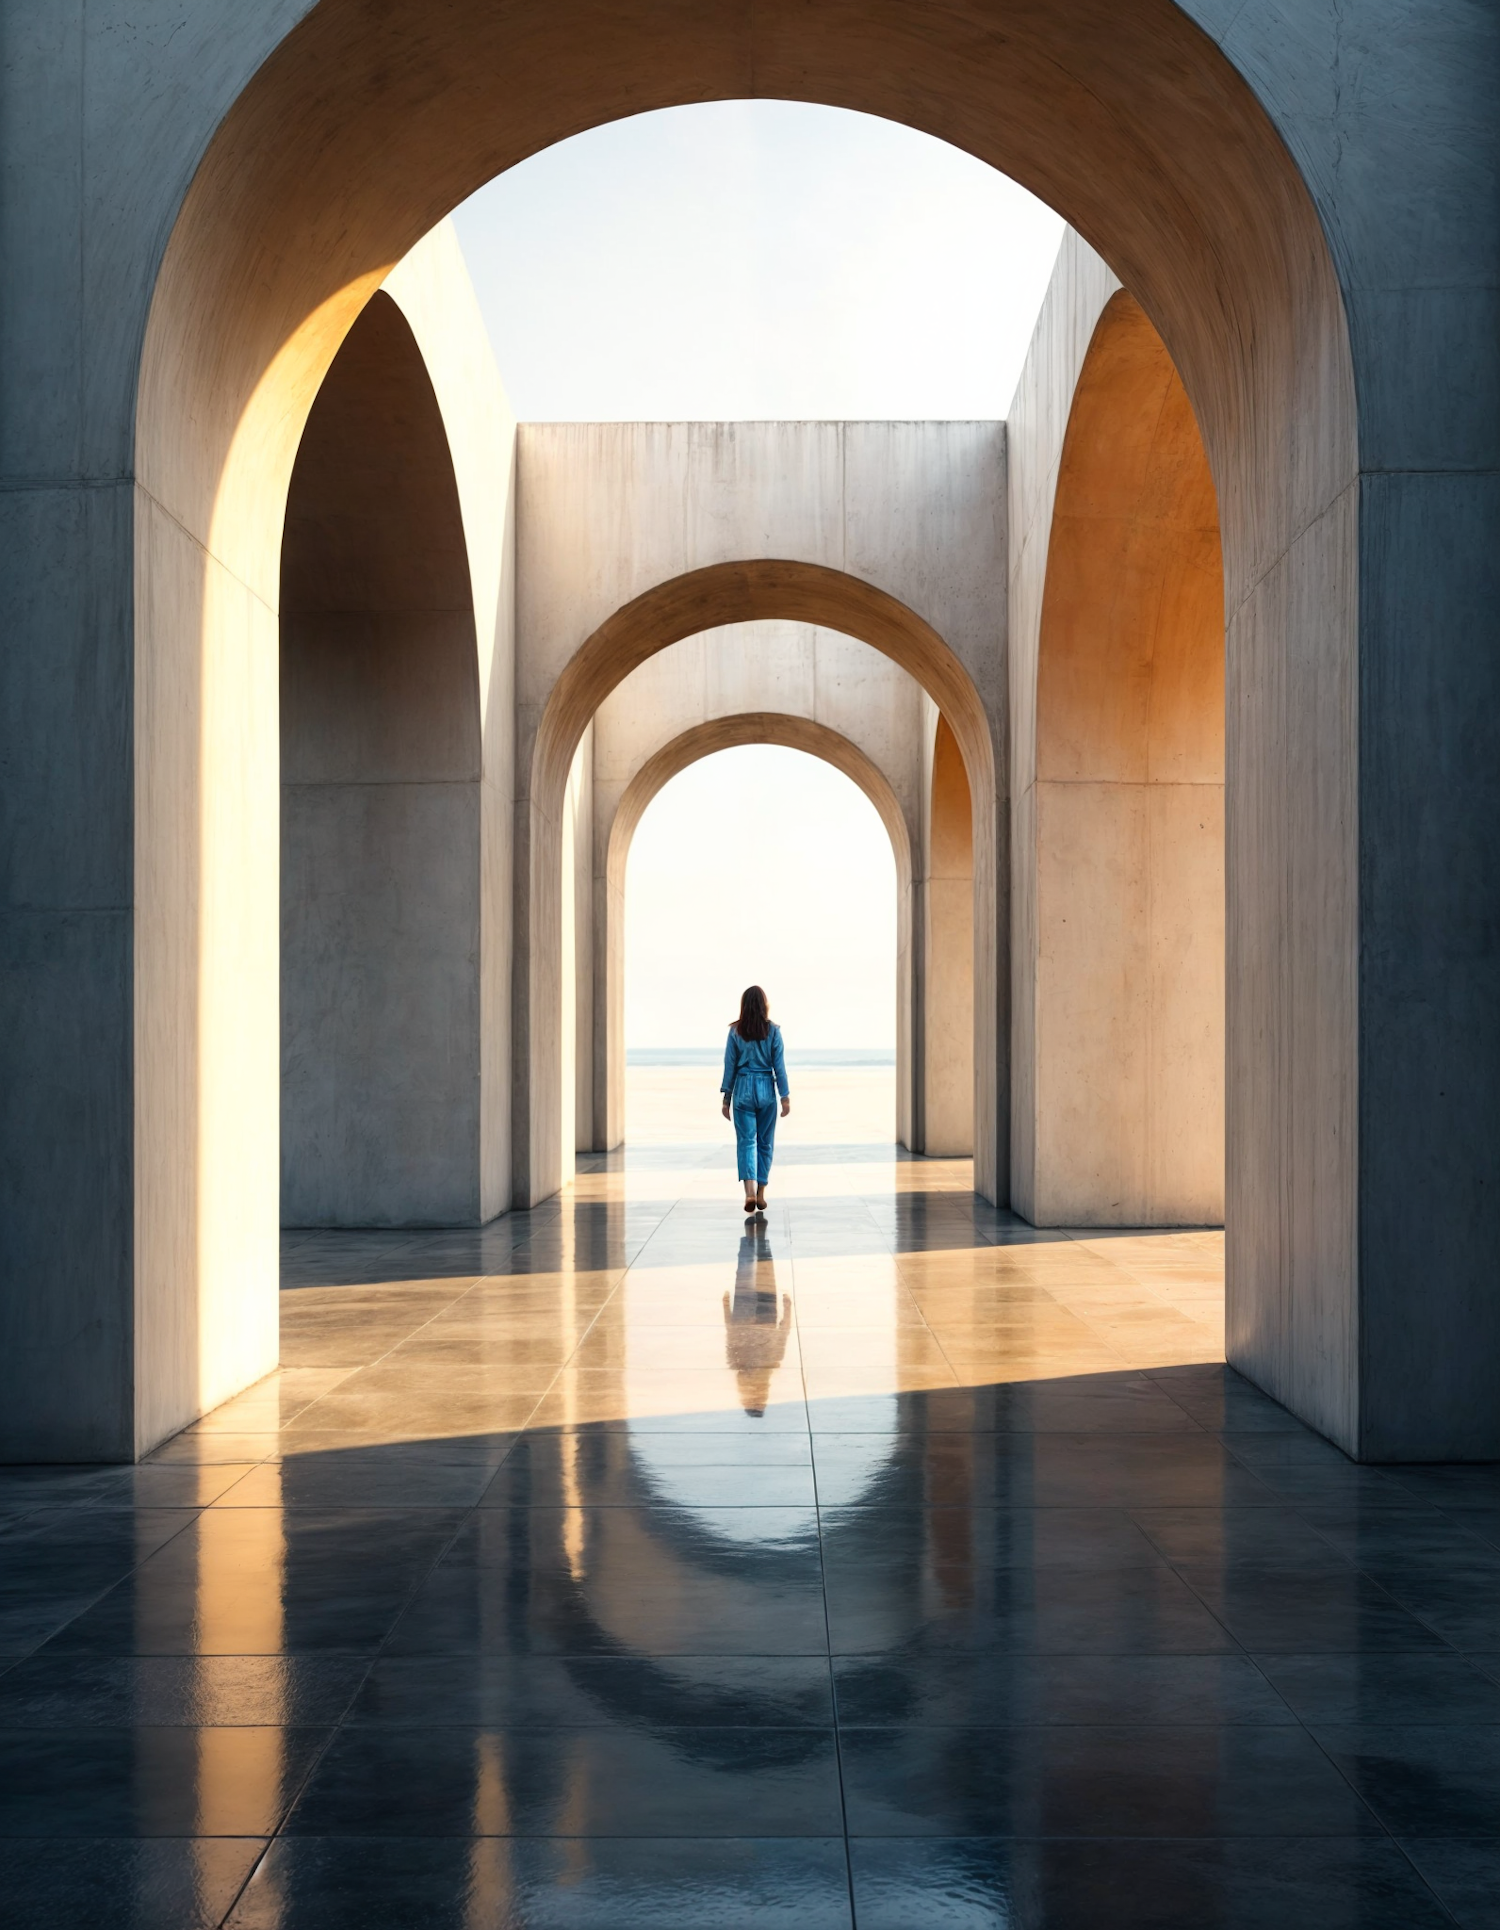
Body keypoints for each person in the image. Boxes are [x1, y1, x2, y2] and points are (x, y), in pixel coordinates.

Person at [720, 985, 791, 1216]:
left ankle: (749, 1192)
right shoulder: (774, 1031)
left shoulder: (735, 1032)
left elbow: (729, 1066)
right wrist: (785, 1096)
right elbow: (779, 1067)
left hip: (742, 1088)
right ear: (764, 1005)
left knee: (747, 1142)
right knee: (765, 1143)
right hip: (765, 1089)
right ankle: (761, 1192)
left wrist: (726, 1098)